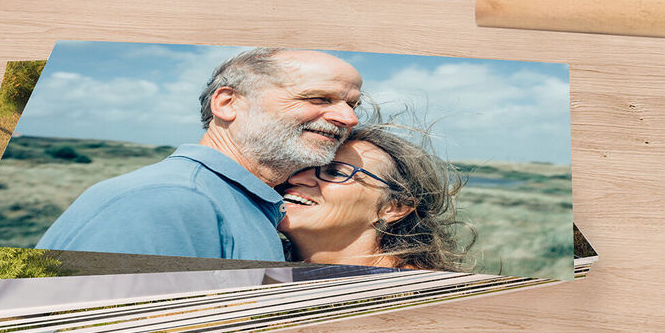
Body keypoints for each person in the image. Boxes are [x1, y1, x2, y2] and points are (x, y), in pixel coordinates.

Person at [35, 48, 362, 261]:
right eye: (319, 99)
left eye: (352, 104)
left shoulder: (245, 203)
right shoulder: (168, 201)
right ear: (227, 103)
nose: (348, 119)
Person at [277, 123, 472, 271]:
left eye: (335, 173)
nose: (296, 178)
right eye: (302, 166)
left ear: (393, 208)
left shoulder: (416, 296)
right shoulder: (271, 266)